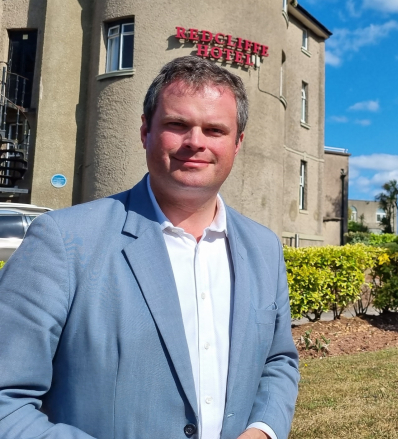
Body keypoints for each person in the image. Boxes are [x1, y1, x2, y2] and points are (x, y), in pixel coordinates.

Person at [0, 56, 298, 439]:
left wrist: (263, 430)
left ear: (237, 143)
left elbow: (278, 360)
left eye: (215, 130)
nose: (196, 142)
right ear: (145, 131)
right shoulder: (63, 240)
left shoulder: (264, 247)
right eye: (177, 125)